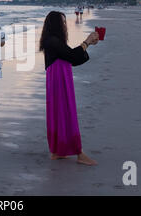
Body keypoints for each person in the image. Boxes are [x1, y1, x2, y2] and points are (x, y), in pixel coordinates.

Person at [39, 11, 99, 166]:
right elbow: (72, 55)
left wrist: (88, 45)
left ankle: (57, 151)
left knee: (58, 112)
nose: (65, 25)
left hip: (57, 78)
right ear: (57, 25)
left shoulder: (52, 40)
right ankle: (78, 153)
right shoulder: (52, 41)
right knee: (66, 111)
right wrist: (86, 41)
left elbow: (71, 58)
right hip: (59, 80)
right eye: (63, 22)